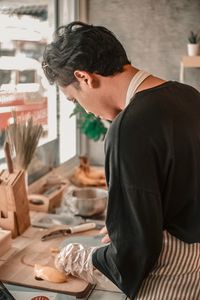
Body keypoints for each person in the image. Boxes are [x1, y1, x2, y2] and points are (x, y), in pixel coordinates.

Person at [42, 21, 200, 300]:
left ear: (84, 77)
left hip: (175, 281)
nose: (86, 111)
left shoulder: (128, 128)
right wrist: (128, 223)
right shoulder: (188, 95)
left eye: (73, 99)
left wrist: (83, 257)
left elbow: (134, 251)